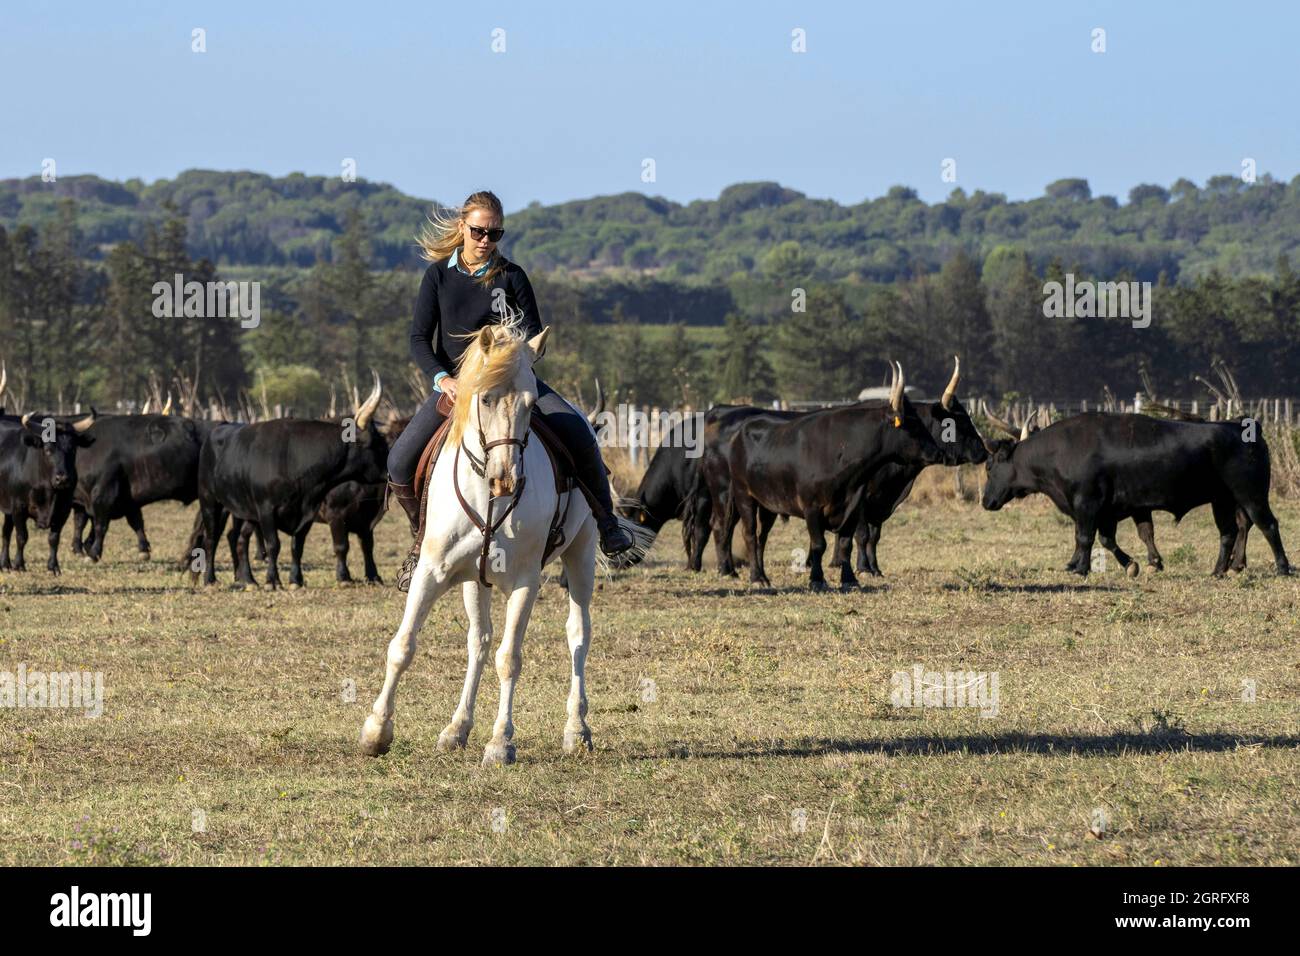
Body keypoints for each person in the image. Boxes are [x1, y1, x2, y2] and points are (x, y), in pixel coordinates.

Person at [387, 190, 634, 587]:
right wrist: (443, 379)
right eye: (479, 231)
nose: (486, 240)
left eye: (495, 233)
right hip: (457, 386)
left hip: (514, 383)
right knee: (399, 460)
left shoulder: (513, 275)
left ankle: (607, 524)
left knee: (576, 430)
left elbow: (535, 334)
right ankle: (423, 543)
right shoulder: (437, 276)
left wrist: (520, 359)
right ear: (462, 228)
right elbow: (419, 339)